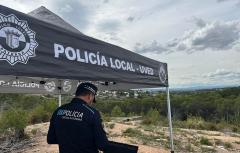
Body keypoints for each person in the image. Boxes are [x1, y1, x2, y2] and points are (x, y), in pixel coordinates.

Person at [47, 82, 109, 153]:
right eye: (92, 99)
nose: (91, 102)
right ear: (90, 96)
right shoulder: (92, 113)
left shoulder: (58, 111)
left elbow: (51, 139)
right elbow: (102, 145)